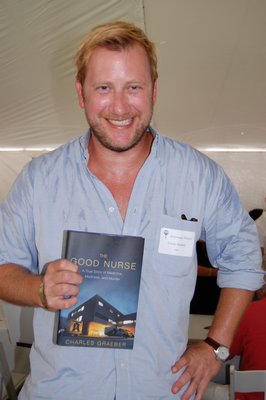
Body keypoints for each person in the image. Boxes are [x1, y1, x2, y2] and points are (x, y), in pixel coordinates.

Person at [0, 20, 264, 400]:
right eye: (104, 88)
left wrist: (215, 347)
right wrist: (38, 289)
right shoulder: (39, 180)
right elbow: (4, 266)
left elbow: (243, 258)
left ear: (154, 90)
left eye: (134, 87)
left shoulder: (198, 176)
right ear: (81, 93)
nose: (120, 107)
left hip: (161, 388)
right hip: (62, 390)